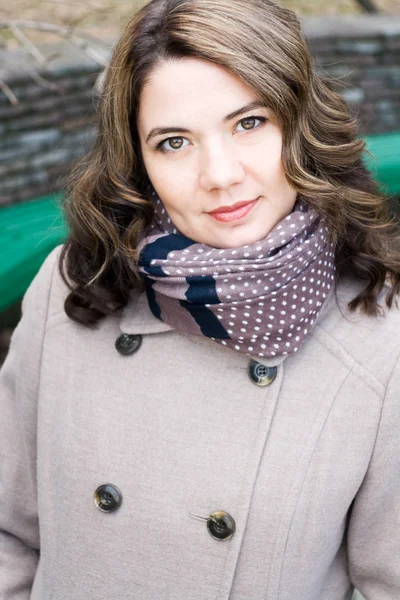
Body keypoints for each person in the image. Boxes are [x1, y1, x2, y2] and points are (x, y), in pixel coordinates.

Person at [1, 0, 400, 598]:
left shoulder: (377, 334)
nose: (219, 174)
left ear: (301, 122)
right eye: (173, 142)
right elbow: (7, 531)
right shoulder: (74, 286)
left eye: (249, 123)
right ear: (137, 161)